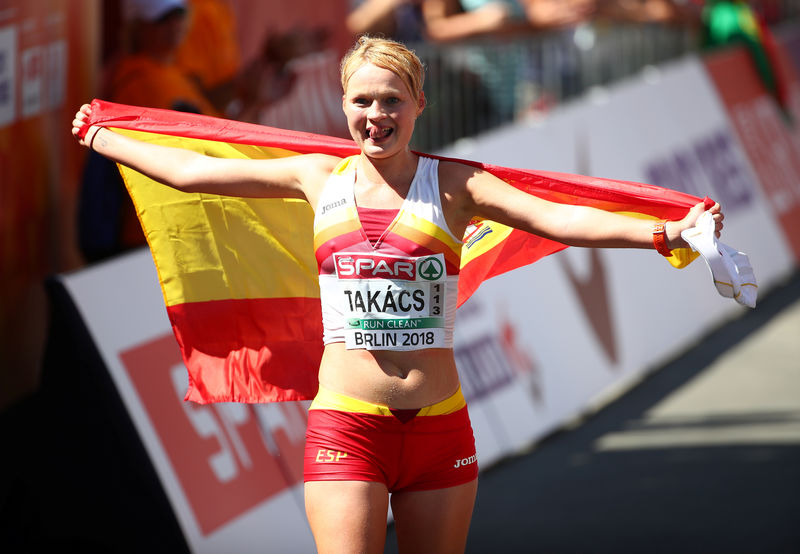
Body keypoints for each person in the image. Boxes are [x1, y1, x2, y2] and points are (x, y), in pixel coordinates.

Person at [72, 35, 723, 553]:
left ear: (418, 106)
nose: (376, 116)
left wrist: (664, 233)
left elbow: (563, 219)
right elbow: (194, 172)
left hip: (441, 432)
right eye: (362, 101)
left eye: (391, 101)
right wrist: (103, 135)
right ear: (343, 103)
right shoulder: (314, 175)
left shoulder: (458, 185)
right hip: (348, 429)